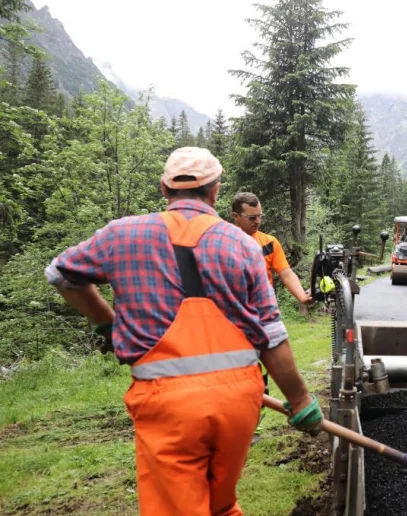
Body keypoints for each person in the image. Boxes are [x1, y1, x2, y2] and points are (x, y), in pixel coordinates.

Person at [45, 147, 324, 516]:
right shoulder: (243, 245)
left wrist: (106, 322)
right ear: (215, 192)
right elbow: (270, 334)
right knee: (221, 503)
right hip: (239, 401)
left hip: (167, 405)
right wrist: (301, 400)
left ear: (164, 189)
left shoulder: (121, 235)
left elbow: (61, 275)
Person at [230, 192, 315, 444]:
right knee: (239, 372)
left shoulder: (268, 242)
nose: (257, 221)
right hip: (232, 317)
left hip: (262, 317)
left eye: (260, 216)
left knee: (260, 372)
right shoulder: (224, 240)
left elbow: (285, 272)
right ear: (236, 216)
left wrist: (302, 296)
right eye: (251, 217)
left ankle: (252, 427)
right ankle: (237, 424)